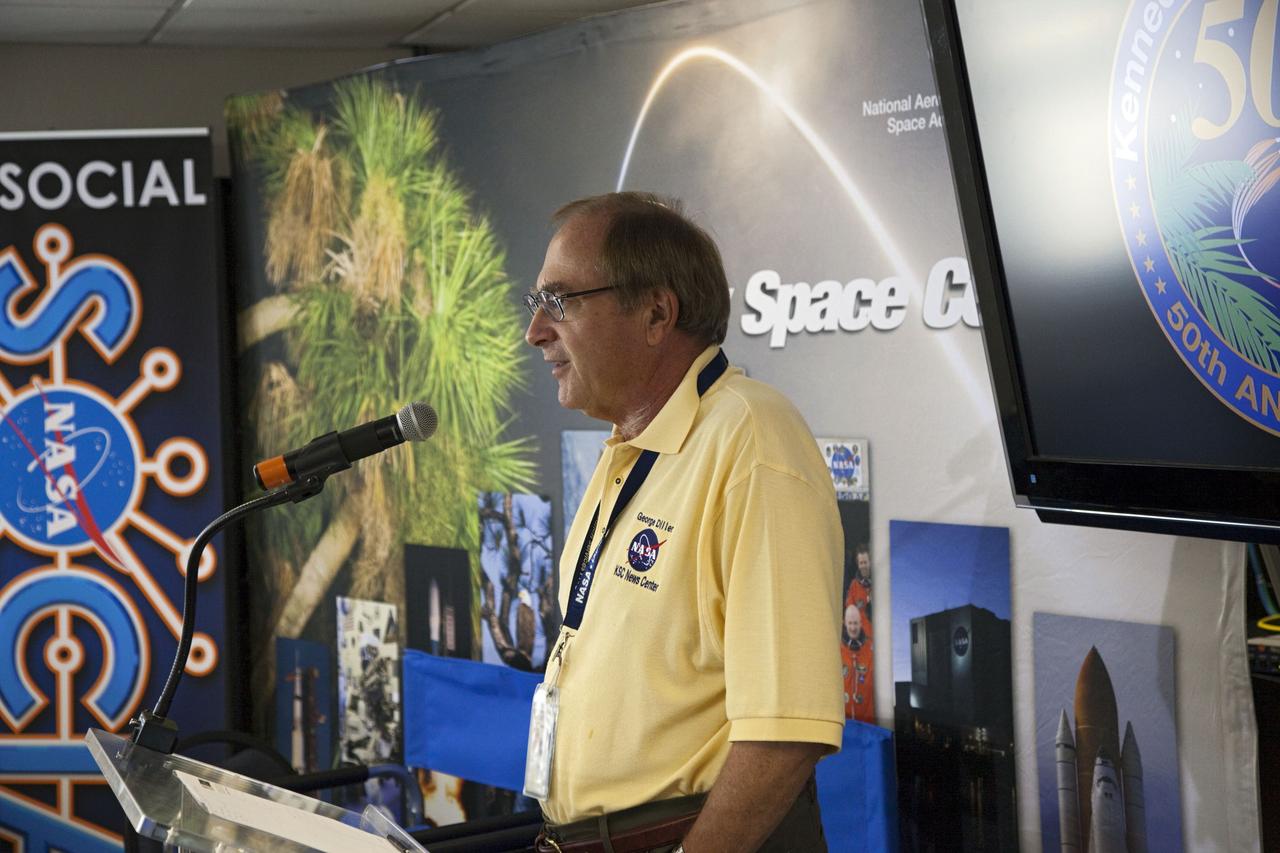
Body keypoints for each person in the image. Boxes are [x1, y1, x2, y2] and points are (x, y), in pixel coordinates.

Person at [523, 192, 844, 852]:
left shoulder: (751, 438)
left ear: (655, 313)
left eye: (559, 301)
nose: (535, 331)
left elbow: (785, 734)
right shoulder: (628, 450)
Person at [840, 604, 874, 722]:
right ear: (845, 623)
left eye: (855, 623)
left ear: (861, 623)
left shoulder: (871, 650)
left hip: (866, 723)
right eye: (850, 623)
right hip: (844, 724)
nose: (853, 628)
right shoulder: (837, 650)